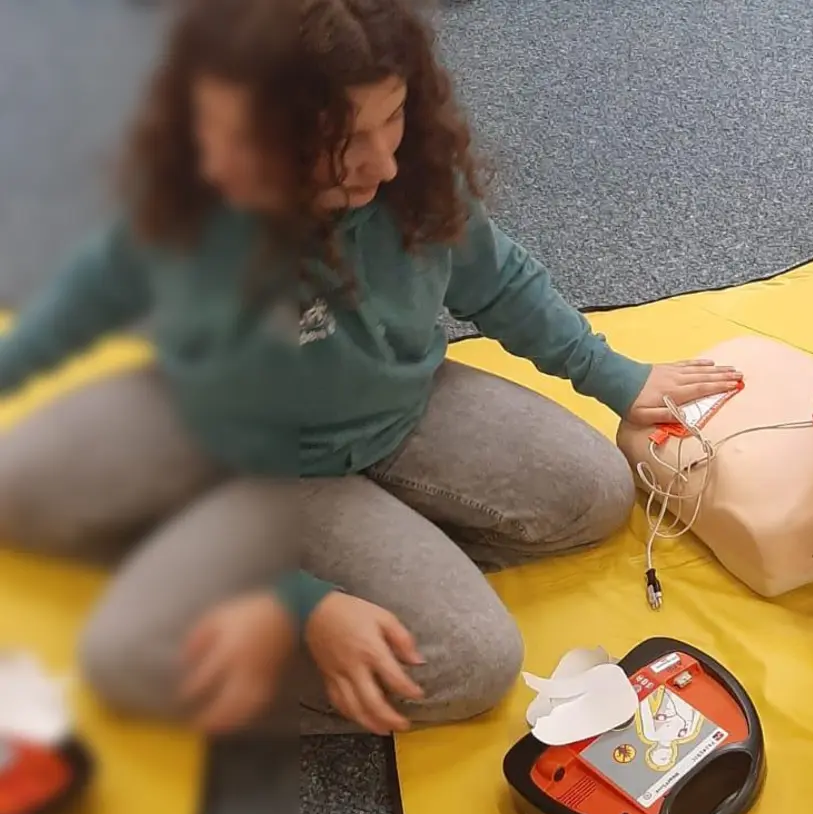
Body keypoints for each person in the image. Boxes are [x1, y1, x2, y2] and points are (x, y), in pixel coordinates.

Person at [0, 0, 740, 736]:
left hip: (402, 411)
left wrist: (616, 377)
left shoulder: (407, 169)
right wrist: (305, 606)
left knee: (598, 494)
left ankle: (370, 559)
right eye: (343, 142)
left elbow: (496, 278)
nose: (383, 162)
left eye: (394, 119)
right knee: (471, 661)